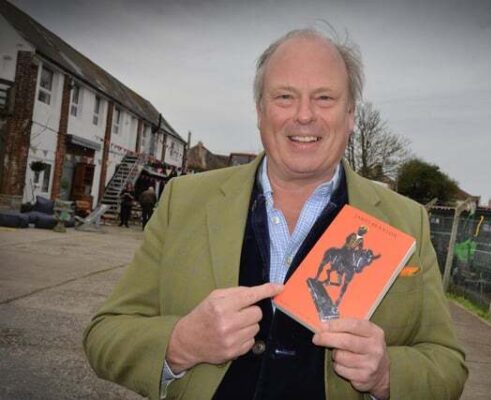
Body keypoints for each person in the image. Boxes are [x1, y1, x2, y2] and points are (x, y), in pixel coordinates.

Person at [84, 29, 468, 400]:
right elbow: (105, 335)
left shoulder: (405, 221)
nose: (304, 115)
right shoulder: (183, 201)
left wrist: (387, 375)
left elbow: (448, 366)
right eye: (285, 96)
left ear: (350, 115)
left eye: (324, 98)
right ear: (260, 111)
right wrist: (180, 344)